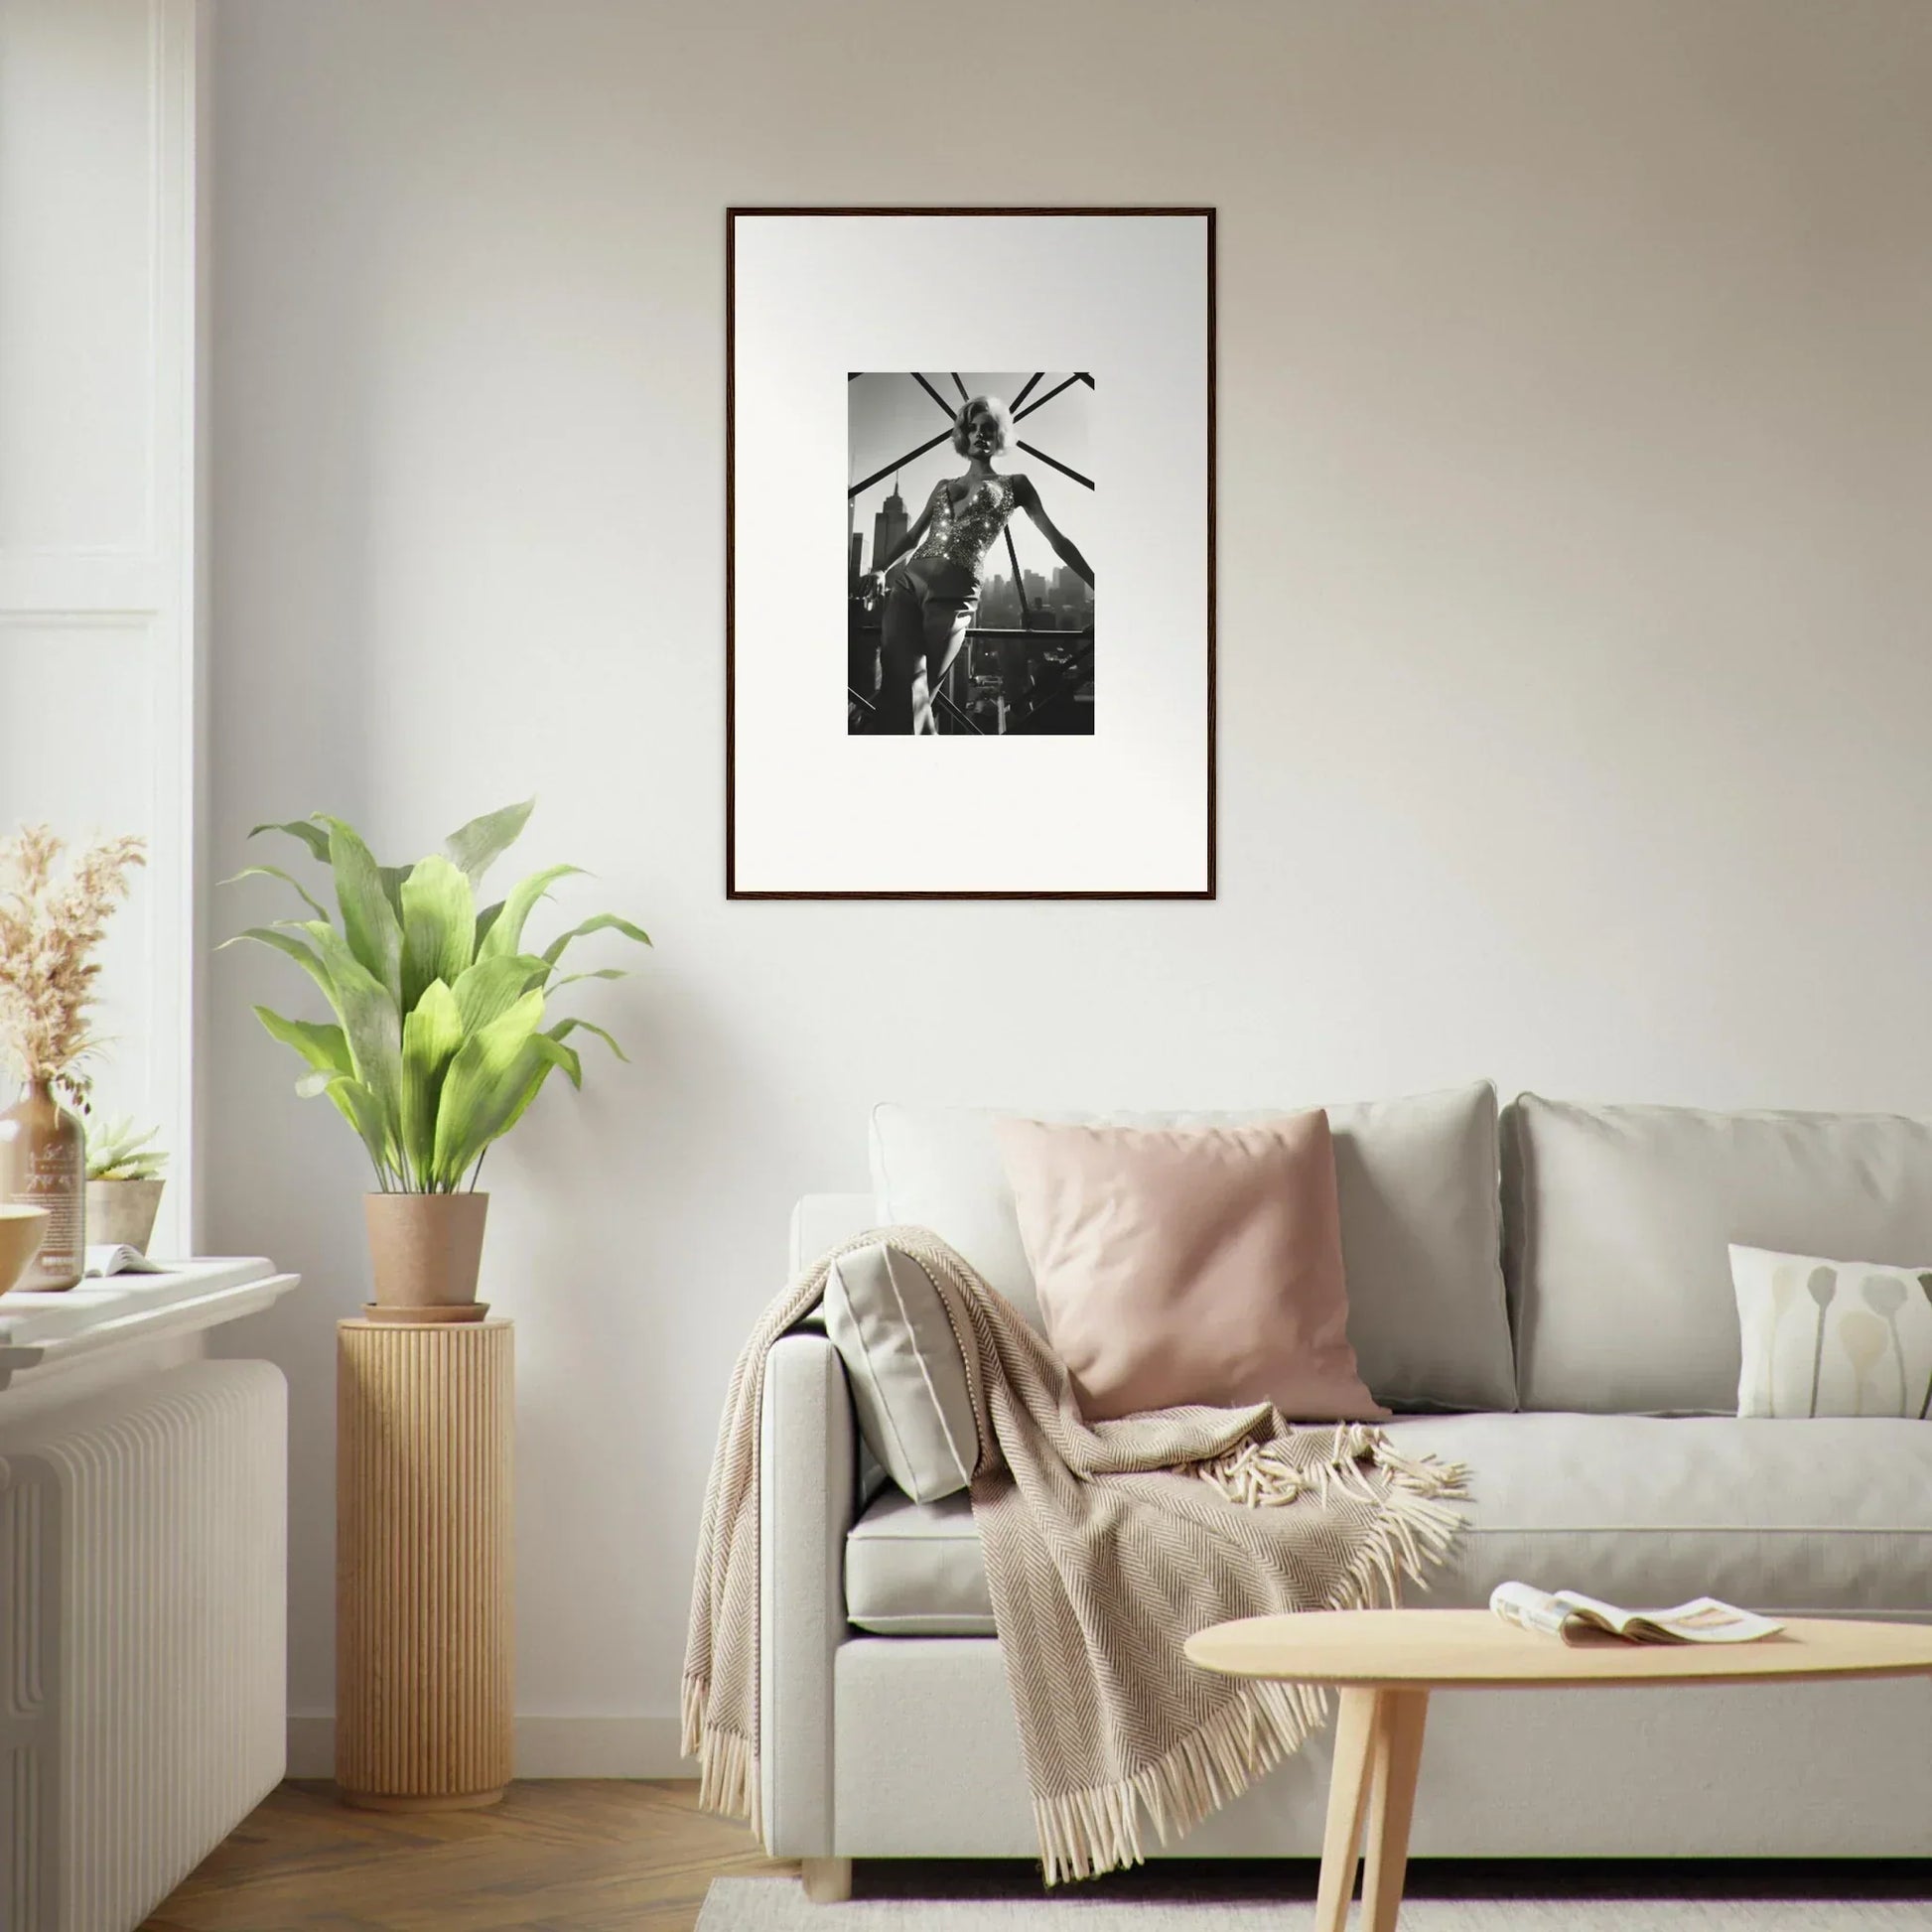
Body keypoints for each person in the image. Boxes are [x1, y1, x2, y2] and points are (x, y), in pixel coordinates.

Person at [866, 394, 1094, 734]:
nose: (979, 434)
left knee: (918, 693)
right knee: (897, 689)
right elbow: (913, 535)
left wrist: (1099, 583)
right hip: (907, 585)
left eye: (987, 428)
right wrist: (881, 568)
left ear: (999, 434)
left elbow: (1056, 539)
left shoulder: (1015, 485)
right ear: (962, 435)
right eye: (970, 428)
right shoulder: (943, 485)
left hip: (954, 594)